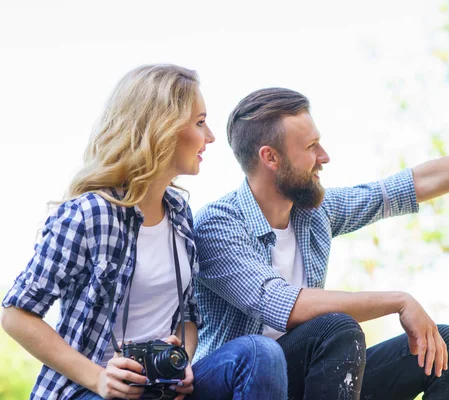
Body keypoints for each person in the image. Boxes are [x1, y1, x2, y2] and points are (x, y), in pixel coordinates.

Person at [192, 87, 449, 399]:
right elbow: (283, 304)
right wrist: (398, 300)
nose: (324, 157)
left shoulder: (313, 213)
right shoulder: (219, 224)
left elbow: (410, 186)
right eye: (311, 147)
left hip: (312, 378)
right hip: (241, 384)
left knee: (446, 347)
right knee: (335, 328)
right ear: (270, 157)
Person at [1, 65, 287, 400]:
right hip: (91, 392)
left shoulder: (179, 215)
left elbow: (187, 316)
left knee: (260, 353)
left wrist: (181, 360)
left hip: (161, 390)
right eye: (199, 122)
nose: (209, 136)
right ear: (162, 128)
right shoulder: (92, 213)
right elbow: (16, 314)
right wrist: (99, 378)